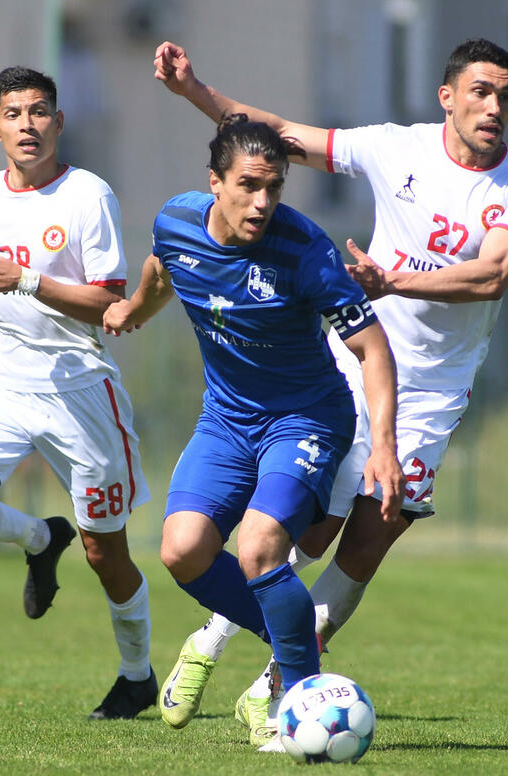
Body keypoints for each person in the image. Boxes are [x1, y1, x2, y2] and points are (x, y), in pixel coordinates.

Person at [150, 38, 508, 743]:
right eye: (481, 91)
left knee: (366, 543)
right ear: (447, 97)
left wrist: (392, 280)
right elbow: (281, 136)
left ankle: (276, 691)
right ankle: (209, 643)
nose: (494, 107)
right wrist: (195, 91)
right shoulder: (395, 148)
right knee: (302, 534)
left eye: (505, 96)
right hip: (348, 366)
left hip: (433, 392)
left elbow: (494, 275)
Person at [101, 115, 403, 749]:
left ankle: (297, 699)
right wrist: (134, 307)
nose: (263, 202)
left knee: (260, 547)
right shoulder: (176, 221)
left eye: (274, 188)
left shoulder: (305, 250)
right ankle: (292, 635)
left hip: (307, 418)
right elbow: (162, 269)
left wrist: (383, 446)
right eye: (249, 186)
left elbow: (373, 348)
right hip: (227, 419)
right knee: (182, 551)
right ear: (215, 182)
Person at [0, 66, 158, 719]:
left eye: (40, 111)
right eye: (15, 114)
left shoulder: (88, 195)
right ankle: (39, 539)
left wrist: (27, 279)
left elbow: (108, 303)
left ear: (58, 122)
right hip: (9, 385)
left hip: (81, 392)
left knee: (106, 551)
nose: (28, 124)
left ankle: (137, 676)